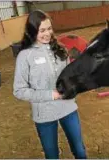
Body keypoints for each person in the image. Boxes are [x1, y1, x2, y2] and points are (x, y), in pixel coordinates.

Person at [13, 10, 87, 159]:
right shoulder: (25, 56)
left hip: (68, 107)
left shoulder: (61, 49)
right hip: (44, 114)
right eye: (42, 30)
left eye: (49, 29)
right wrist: (50, 94)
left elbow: (69, 75)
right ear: (33, 31)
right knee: (51, 155)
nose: (47, 34)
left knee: (80, 151)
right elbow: (19, 90)